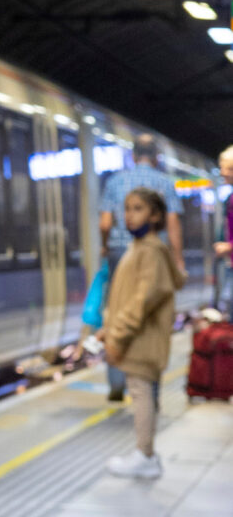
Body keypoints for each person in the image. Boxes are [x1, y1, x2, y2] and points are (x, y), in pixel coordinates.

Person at [103, 186, 183, 481]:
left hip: (141, 339)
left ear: (156, 215)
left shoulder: (149, 251)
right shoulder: (140, 248)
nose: (130, 216)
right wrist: (107, 329)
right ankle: (144, 454)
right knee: (142, 392)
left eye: (138, 209)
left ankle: (145, 455)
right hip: (138, 336)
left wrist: (118, 335)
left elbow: (142, 300)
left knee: (141, 393)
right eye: (127, 209)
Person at [98, 134, 184, 400]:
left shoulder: (114, 182)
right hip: (151, 250)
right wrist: (177, 261)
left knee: (116, 312)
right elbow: (172, 225)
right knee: (148, 317)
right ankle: (150, 386)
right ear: (156, 157)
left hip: (121, 254)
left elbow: (104, 224)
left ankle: (116, 382)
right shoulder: (164, 183)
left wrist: (106, 247)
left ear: (133, 156)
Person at [214, 145, 233, 313]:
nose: (223, 173)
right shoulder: (230, 198)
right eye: (222, 168)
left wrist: (229, 247)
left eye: (230, 168)